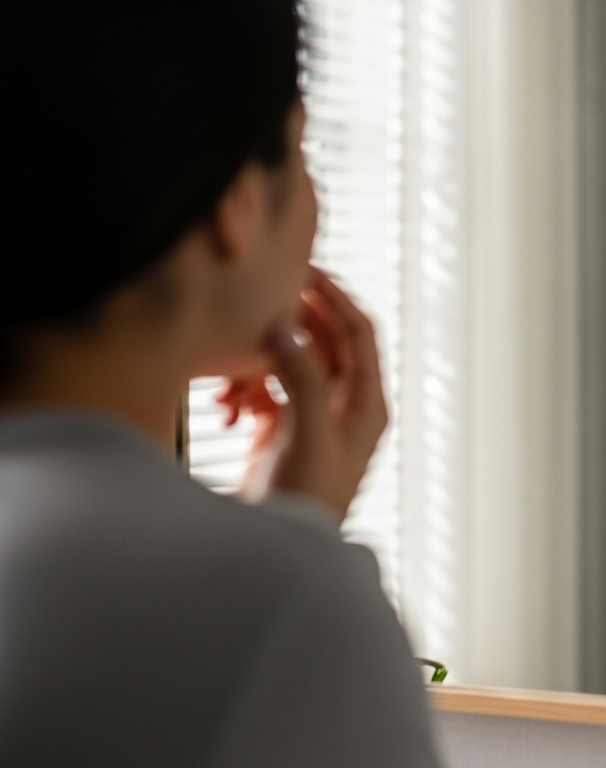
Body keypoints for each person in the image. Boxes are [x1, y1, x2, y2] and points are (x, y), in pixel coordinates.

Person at [0, 2, 440, 765]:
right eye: (300, 149)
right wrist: (288, 557)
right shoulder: (284, 609)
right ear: (235, 200)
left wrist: (286, 528)